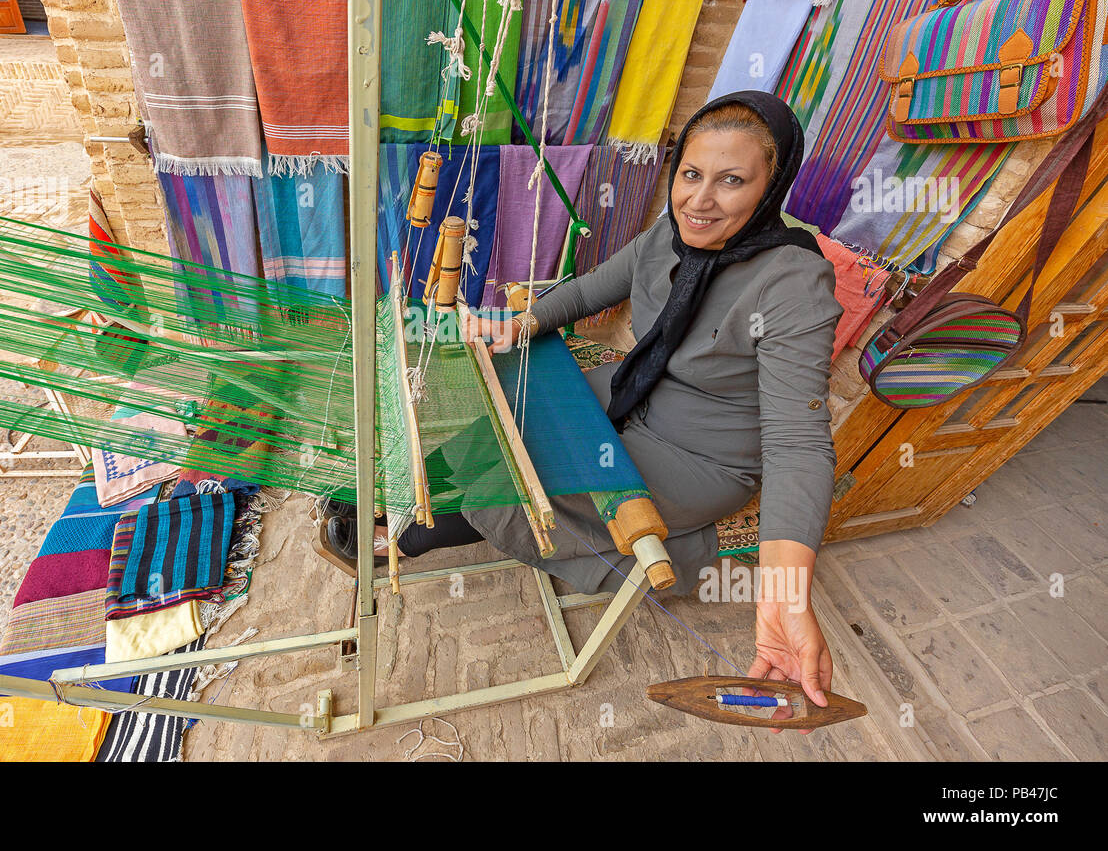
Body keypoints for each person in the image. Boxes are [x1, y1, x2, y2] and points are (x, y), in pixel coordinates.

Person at [328, 90, 843, 716]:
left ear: (770, 188)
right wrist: (521, 324)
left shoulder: (795, 283)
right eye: (690, 174)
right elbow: (591, 289)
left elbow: (799, 443)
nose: (700, 200)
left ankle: (410, 536)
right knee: (498, 410)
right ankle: (411, 496)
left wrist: (787, 594)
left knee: (523, 474)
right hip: (628, 392)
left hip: (699, 455)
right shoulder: (670, 234)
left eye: (732, 181)